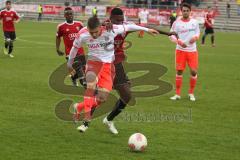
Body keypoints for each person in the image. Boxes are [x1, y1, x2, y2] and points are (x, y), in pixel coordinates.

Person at [68, 16, 158, 133]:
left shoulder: (111, 30)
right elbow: (74, 49)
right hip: (93, 63)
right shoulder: (83, 33)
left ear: (100, 27)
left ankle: (79, 107)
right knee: (91, 85)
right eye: (91, 33)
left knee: (102, 98)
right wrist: (69, 65)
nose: (94, 35)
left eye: (96, 32)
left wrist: (146, 30)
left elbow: (129, 26)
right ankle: (86, 121)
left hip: (108, 66)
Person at [101, 7, 178, 135]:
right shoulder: (104, 27)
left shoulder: (125, 26)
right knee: (119, 94)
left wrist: (168, 33)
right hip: (104, 63)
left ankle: (108, 119)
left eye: (122, 20)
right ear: (111, 19)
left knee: (126, 96)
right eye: (117, 21)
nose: (120, 23)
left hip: (116, 63)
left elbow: (144, 26)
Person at [169, 2, 200, 101]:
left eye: (187, 11)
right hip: (180, 50)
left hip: (192, 51)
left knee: (194, 71)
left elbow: (197, 32)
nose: (185, 12)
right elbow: (171, 35)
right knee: (179, 71)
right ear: (181, 11)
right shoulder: (176, 23)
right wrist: (178, 41)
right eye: (184, 11)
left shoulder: (194, 22)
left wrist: (195, 38)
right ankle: (177, 94)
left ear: (190, 11)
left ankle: (191, 93)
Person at [56, 7, 86, 87]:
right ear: (64, 16)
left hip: (80, 51)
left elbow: (85, 34)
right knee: (79, 69)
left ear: (73, 14)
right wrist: (57, 49)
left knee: (82, 68)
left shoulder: (79, 24)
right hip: (69, 52)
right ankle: (84, 83)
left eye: (71, 14)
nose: (70, 15)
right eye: (67, 14)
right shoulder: (61, 26)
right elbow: (58, 37)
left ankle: (73, 77)